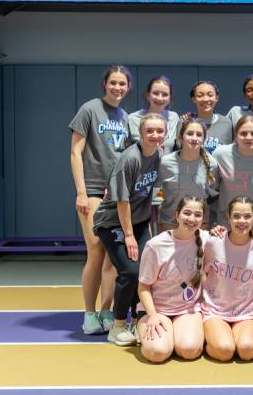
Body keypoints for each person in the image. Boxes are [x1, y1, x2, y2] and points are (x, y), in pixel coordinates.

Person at [92, 113, 166, 346]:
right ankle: (118, 325)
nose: (155, 135)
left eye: (159, 131)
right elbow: (122, 202)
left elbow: (153, 195)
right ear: (141, 133)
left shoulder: (159, 155)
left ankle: (135, 320)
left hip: (139, 221)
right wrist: (130, 236)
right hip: (113, 221)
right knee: (130, 272)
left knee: (145, 271)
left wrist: (147, 228)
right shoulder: (130, 159)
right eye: (150, 131)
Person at [69, 65, 131, 335]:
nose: (118, 87)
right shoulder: (90, 109)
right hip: (93, 190)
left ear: (127, 87)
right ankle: (89, 314)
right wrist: (81, 192)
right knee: (96, 248)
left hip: (116, 193)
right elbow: (75, 152)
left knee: (111, 256)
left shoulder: (125, 116)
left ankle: (106, 311)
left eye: (122, 83)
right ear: (105, 84)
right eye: (113, 82)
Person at [136, 197, 207, 362]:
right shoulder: (156, 245)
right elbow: (143, 287)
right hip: (157, 310)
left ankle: (176, 335)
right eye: (187, 213)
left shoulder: (206, 239)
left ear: (203, 219)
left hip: (187, 309)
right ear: (177, 215)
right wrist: (152, 315)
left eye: (198, 215)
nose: (192, 219)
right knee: (158, 353)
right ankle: (142, 327)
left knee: (190, 350)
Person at [201, 196, 253, 361]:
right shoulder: (212, 241)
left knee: (247, 351)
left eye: (247, 216)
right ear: (228, 218)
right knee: (225, 350)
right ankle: (208, 338)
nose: (242, 221)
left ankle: (232, 336)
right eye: (237, 216)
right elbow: (201, 271)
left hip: (245, 311)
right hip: (215, 310)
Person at [213, 116, 253, 229]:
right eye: (243, 133)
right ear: (236, 135)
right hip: (227, 222)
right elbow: (214, 186)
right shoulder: (221, 154)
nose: (248, 137)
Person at [155, 118, 217, 232]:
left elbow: (211, 194)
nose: (194, 138)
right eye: (189, 133)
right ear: (180, 137)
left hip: (198, 223)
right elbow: (156, 194)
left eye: (199, 135)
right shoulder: (165, 162)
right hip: (170, 222)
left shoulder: (211, 164)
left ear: (204, 139)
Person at [127, 76, 179, 154]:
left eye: (165, 94)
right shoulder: (133, 119)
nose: (160, 98)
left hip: (166, 165)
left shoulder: (174, 118)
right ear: (148, 95)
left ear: (170, 98)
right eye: (155, 93)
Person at [183, 81, 233, 154]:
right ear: (193, 99)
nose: (205, 99)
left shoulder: (227, 123)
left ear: (216, 98)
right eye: (200, 95)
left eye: (210, 95)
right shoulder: (184, 122)